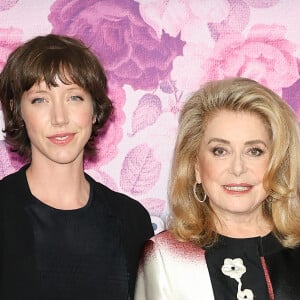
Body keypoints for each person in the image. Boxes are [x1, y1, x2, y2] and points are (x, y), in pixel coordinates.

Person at [0, 34, 154, 300]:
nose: (59, 118)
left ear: (95, 110)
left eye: (74, 98)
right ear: (17, 111)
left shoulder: (131, 220)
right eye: (40, 100)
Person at [135, 77, 300, 299]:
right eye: (220, 151)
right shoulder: (166, 256)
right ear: (195, 167)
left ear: (277, 163)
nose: (238, 168)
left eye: (254, 151)